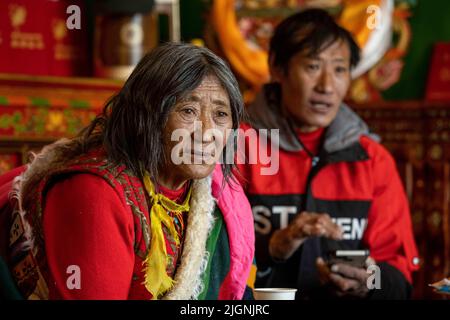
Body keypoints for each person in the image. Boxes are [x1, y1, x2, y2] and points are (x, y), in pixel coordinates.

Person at [0, 42, 254, 300]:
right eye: (188, 110)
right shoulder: (95, 192)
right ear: (147, 115)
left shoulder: (217, 197)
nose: (207, 132)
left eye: (221, 114)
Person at [237, 8, 419, 299]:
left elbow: (399, 278)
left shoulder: (371, 160)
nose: (326, 86)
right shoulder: (236, 149)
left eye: (339, 69)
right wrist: (273, 248)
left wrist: (367, 283)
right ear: (277, 68)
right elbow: (206, 260)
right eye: (312, 67)